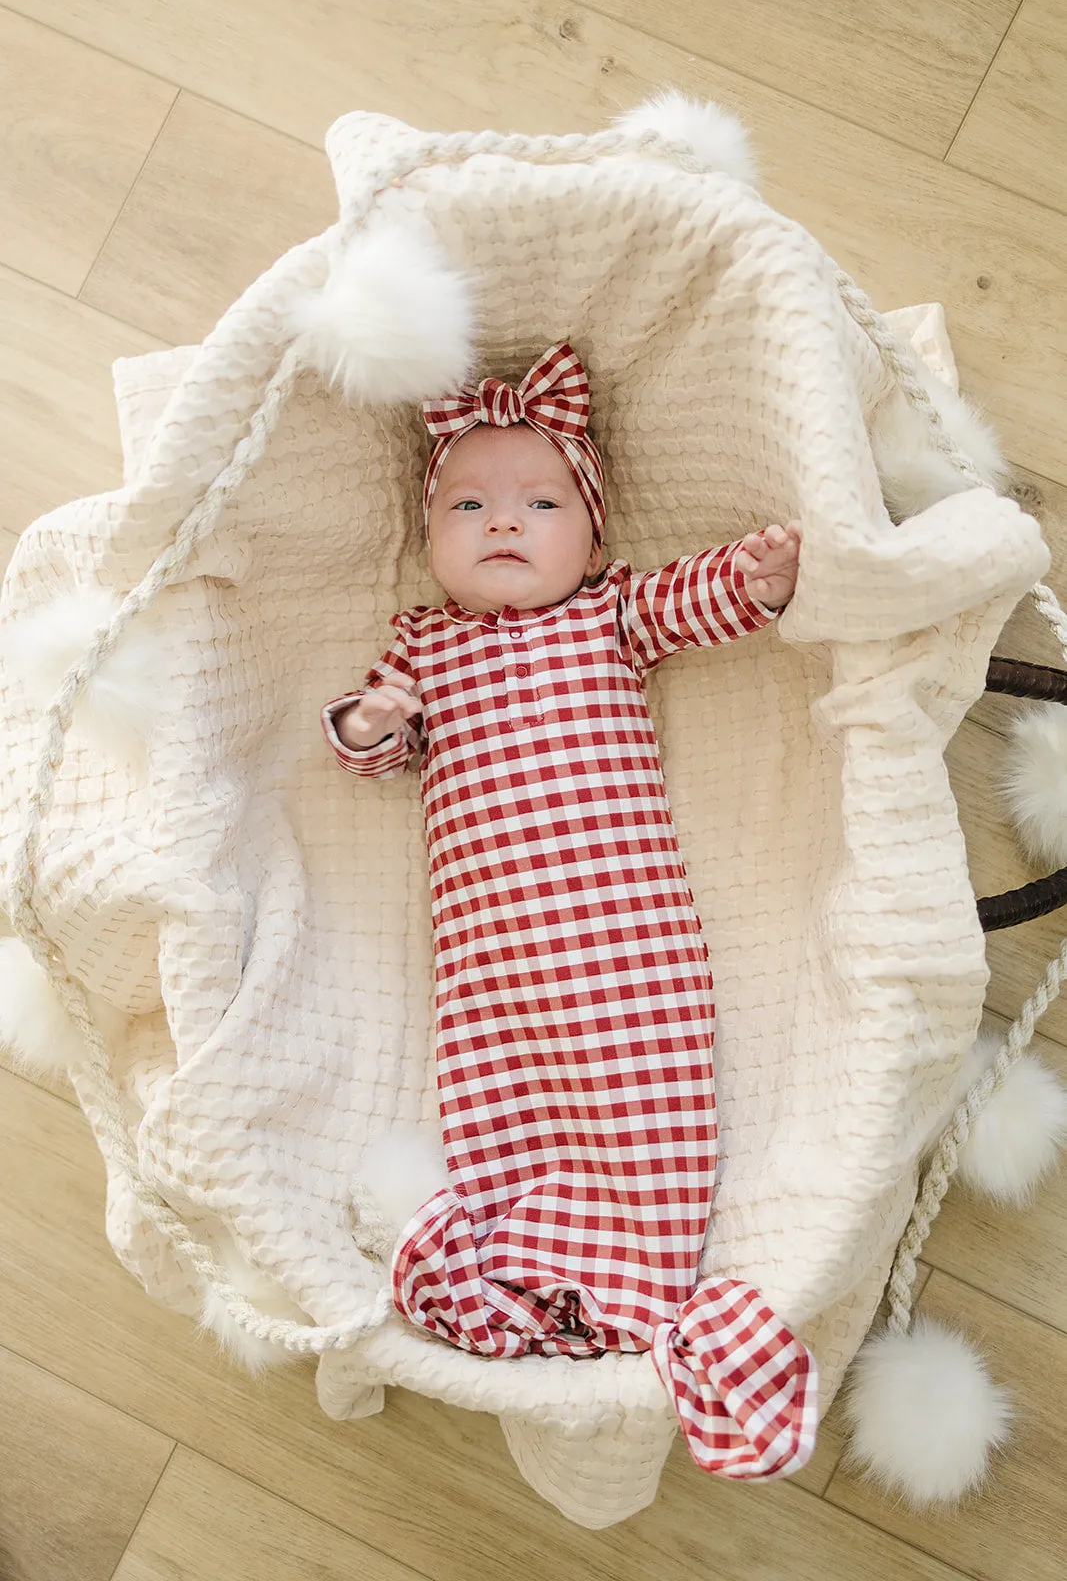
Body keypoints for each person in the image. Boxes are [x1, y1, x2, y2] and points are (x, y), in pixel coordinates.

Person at [322, 342, 816, 1477]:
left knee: (639, 1086)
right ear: (429, 532)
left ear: (592, 535)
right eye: (469, 503)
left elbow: (690, 603)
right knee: (496, 1099)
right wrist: (369, 721)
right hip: (493, 963)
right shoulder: (423, 647)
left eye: (541, 502)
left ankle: (639, 1276)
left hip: (624, 944)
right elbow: (370, 749)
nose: (504, 521)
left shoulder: (603, 619)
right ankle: (523, 1268)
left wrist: (757, 577)